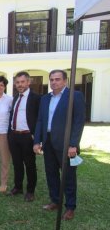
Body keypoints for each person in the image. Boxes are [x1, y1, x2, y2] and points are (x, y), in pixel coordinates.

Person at [33, 70, 85, 221]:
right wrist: (37, 141)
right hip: (48, 141)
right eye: (51, 79)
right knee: (51, 173)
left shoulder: (74, 96)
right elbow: (40, 121)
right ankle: (55, 201)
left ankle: (70, 207)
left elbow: (78, 121)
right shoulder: (45, 98)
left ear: (65, 81)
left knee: (68, 176)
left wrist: (73, 144)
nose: (54, 82)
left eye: (57, 79)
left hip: (66, 143)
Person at [7, 71, 41, 202]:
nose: (19, 85)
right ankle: (18, 187)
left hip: (27, 137)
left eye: (22, 82)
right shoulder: (15, 98)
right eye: (17, 82)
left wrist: (37, 138)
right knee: (17, 164)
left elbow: (39, 119)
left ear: (28, 82)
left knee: (30, 165)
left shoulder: (36, 98)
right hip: (14, 136)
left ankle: (30, 191)